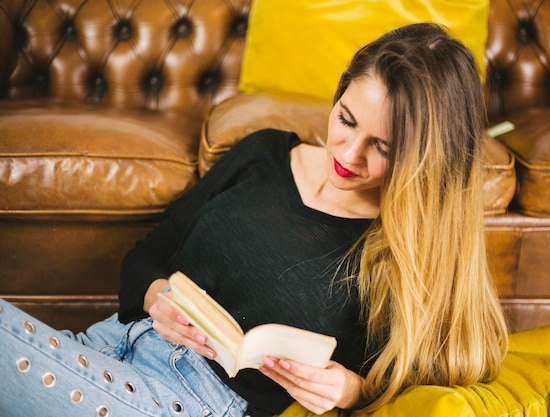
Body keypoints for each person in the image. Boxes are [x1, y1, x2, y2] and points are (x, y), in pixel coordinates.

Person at [0, 23, 508, 417]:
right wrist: (157, 296)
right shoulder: (263, 153)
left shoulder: (406, 248)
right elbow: (149, 252)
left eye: (383, 148)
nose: (348, 153)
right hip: (107, 344)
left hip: (179, 402)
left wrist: (351, 390)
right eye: (346, 120)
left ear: (425, 158)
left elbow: (438, 375)